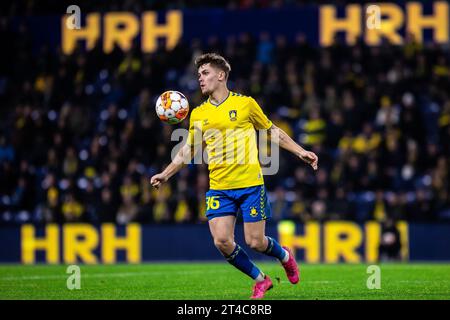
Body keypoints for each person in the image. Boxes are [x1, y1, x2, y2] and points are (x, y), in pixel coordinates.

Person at [150, 53, 318, 299]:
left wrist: (301, 151)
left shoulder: (245, 104)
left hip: (250, 185)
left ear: (221, 75)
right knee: (221, 241)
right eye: (198, 75)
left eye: (205, 73)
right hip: (219, 188)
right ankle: (261, 280)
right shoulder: (198, 114)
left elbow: (271, 131)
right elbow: (188, 149)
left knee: (256, 242)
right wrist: (165, 174)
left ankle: (284, 255)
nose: (200, 79)